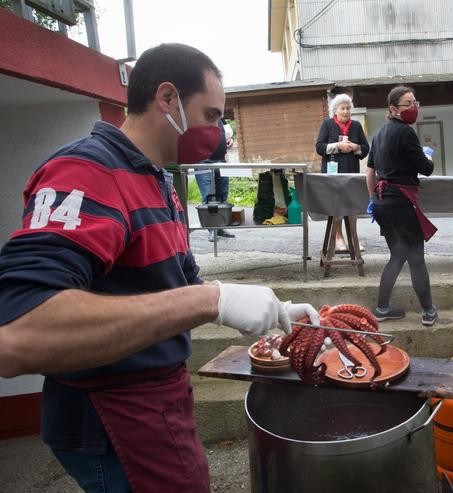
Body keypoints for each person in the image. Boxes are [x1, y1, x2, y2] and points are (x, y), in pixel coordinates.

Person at [0, 43, 319, 492]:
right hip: (113, 418)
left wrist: (276, 308)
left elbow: (176, 285)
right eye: (211, 116)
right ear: (167, 99)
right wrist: (214, 300)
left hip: (161, 401)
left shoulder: (159, 179)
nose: (218, 132)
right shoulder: (84, 173)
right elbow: (20, 331)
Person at [365, 85, 438, 326]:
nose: (414, 107)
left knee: (397, 255)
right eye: (409, 103)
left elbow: (370, 172)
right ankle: (428, 312)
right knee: (416, 257)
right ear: (393, 109)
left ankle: (382, 308)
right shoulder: (405, 133)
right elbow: (426, 169)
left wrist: (374, 200)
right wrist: (427, 156)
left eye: (416, 102)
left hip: (382, 202)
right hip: (400, 202)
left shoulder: (378, 134)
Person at [315, 93, 370, 252]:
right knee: (336, 206)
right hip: (332, 174)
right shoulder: (327, 125)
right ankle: (339, 238)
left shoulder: (356, 126)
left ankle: (353, 238)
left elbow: (365, 149)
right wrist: (338, 146)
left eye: (348, 108)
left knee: (351, 206)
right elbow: (319, 147)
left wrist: (354, 147)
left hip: (351, 172)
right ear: (335, 110)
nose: (345, 111)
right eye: (342, 108)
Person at [196, 118, 235, 241]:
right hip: (203, 162)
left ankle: (220, 227)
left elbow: (226, 134)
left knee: (222, 195)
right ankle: (212, 230)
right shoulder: (198, 115)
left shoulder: (220, 119)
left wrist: (229, 140)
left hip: (221, 161)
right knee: (209, 196)